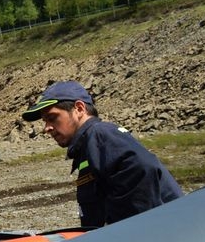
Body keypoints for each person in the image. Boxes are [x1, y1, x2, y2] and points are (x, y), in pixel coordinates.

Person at [22, 81, 183, 227]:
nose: (46, 128)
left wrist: (128, 234)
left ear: (79, 109)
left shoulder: (101, 135)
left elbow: (142, 168)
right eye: (45, 121)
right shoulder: (89, 143)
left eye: (52, 118)